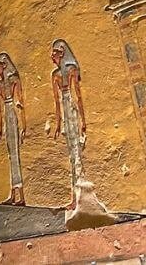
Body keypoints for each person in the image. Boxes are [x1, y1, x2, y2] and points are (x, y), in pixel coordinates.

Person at [50, 39, 87, 204]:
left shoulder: (72, 69)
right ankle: (74, 196)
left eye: (55, 54)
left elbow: (78, 96)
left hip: (72, 108)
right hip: (66, 110)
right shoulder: (55, 75)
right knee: (71, 154)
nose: (52, 57)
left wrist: (83, 121)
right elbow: (57, 102)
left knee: (77, 151)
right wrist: (58, 123)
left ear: (62, 54)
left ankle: (80, 195)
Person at [0, 53, 27, 205]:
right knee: (10, 155)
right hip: (8, 117)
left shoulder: (14, 80)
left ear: (4, 66)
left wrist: (24, 126)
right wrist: (0, 129)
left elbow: (20, 103)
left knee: (15, 155)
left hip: (13, 116)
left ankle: (21, 195)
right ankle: (13, 194)